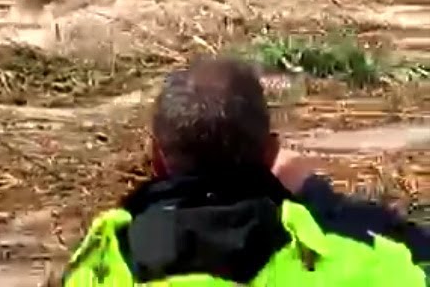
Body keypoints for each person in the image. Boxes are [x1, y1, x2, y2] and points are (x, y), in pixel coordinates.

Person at [62, 56, 427, 286]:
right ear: (270, 152)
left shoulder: (96, 267)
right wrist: (320, 200)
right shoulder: (367, 264)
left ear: (157, 158)